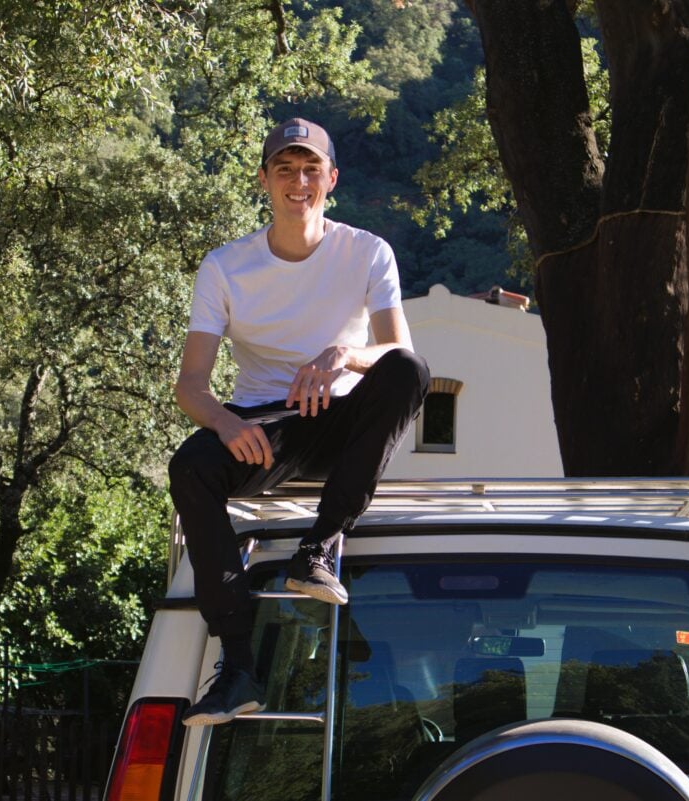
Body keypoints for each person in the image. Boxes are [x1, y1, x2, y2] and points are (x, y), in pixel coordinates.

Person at [168, 117, 430, 726]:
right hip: (267, 428)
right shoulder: (225, 267)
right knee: (191, 468)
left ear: (330, 180)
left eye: (311, 168)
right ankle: (237, 669)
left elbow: (399, 353)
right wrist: (227, 425)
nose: (298, 180)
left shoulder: (367, 251)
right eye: (284, 169)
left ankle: (317, 548)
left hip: (344, 419)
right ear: (264, 180)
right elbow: (191, 386)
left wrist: (344, 355)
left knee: (409, 372)